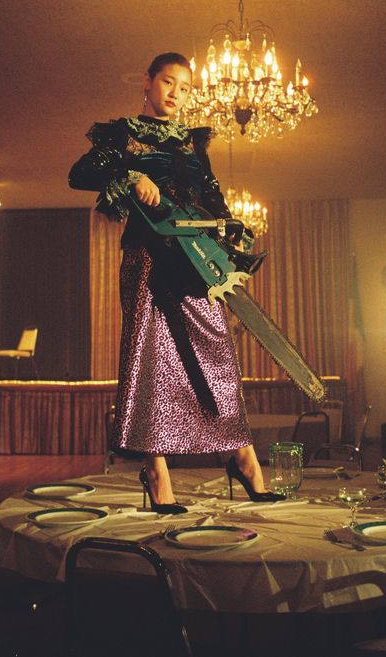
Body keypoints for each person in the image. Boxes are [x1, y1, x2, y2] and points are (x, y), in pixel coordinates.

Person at [69, 52, 283, 512]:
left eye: (185, 88)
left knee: (218, 353)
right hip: (148, 255)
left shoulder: (192, 141)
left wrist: (230, 224)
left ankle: (244, 460)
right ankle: (156, 471)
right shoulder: (121, 134)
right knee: (151, 358)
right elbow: (80, 174)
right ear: (146, 83)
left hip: (194, 259)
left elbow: (211, 193)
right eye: (168, 82)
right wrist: (131, 175)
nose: (176, 94)